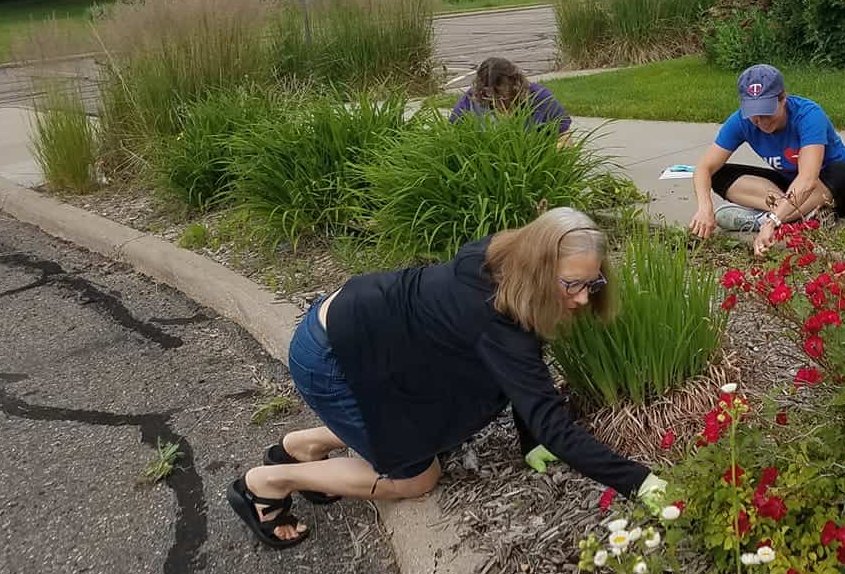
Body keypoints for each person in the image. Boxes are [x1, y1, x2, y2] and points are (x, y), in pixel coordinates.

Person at [227, 207, 664, 549]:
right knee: (418, 477)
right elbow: (550, 415)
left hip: (357, 334)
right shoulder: (493, 320)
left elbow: (522, 374)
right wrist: (642, 483)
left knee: (445, 422)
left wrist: (531, 443)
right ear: (538, 266)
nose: (586, 298)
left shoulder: (501, 255)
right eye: (575, 285)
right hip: (330, 361)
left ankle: (306, 444)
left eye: (594, 283)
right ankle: (267, 483)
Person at [688, 64, 845, 254]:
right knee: (719, 174)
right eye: (754, 113)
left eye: (767, 111)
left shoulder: (809, 115)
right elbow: (704, 168)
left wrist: (773, 222)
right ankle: (802, 217)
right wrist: (705, 208)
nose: (761, 121)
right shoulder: (740, 121)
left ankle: (772, 218)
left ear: (783, 99)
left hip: (830, 187)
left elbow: (808, 179)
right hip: (788, 188)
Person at [450, 56, 571, 135]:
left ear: (515, 83)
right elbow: (453, 130)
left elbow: (564, 136)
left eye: (500, 91)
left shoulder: (539, 97)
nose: (494, 97)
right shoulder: (471, 99)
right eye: (488, 92)